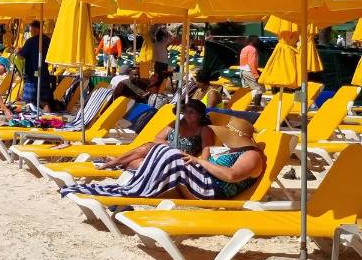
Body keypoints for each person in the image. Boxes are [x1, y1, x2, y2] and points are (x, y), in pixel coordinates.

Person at [61, 115, 265, 201]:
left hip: (211, 189)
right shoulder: (234, 151)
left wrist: (200, 161)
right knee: (161, 151)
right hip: (203, 180)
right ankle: (134, 188)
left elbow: (231, 175)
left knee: (170, 155)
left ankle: (135, 191)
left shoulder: (252, 155)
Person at [91, 100, 216, 173]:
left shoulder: (204, 130)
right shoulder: (177, 123)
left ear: (200, 115)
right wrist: (168, 146)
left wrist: (193, 160)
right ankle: (117, 162)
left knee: (146, 148)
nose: (186, 115)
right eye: (185, 111)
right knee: (138, 162)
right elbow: (158, 138)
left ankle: (114, 162)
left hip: (180, 160)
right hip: (166, 152)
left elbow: (205, 155)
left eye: (191, 112)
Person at [17, 20, 53, 107]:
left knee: (30, 103)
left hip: (31, 76)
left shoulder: (30, 41)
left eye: (32, 30)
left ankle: (33, 115)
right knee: (45, 101)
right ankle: (45, 115)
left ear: (37, 29)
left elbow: (21, 56)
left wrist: (18, 52)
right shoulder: (48, 40)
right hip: (44, 74)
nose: (31, 32)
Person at [239, 35, 263, 106]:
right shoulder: (253, 49)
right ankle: (256, 107)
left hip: (242, 71)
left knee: (246, 90)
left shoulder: (244, 49)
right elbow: (251, 63)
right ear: (253, 41)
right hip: (249, 71)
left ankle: (243, 107)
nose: (258, 42)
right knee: (259, 89)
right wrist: (256, 75)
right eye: (257, 40)